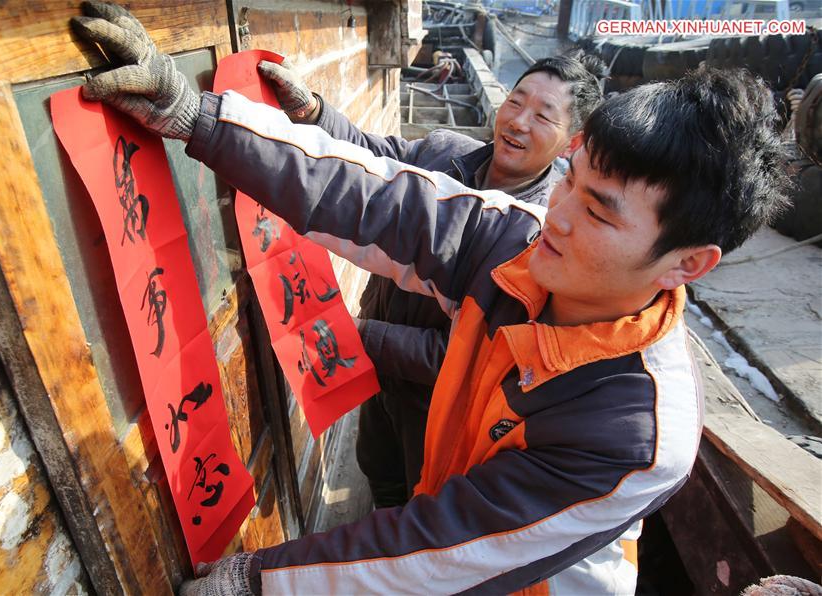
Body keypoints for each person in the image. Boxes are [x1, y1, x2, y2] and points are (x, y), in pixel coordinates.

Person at [71, 3, 790, 594]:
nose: (561, 215)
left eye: (599, 212)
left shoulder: (632, 429)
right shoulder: (522, 243)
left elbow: (438, 555)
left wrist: (256, 583)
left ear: (686, 264)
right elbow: (376, 198)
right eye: (568, 182)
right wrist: (200, 117)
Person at [257, 50, 606, 509]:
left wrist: (362, 334)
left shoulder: (540, 238)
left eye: (543, 116)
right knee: (375, 469)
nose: (518, 121)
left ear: (571, 143)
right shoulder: (445, 152)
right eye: (516, 101)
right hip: (378, 371)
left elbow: (469, 354)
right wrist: (313, 113)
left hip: (434, 404)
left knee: (418, 496)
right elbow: (372, 155)